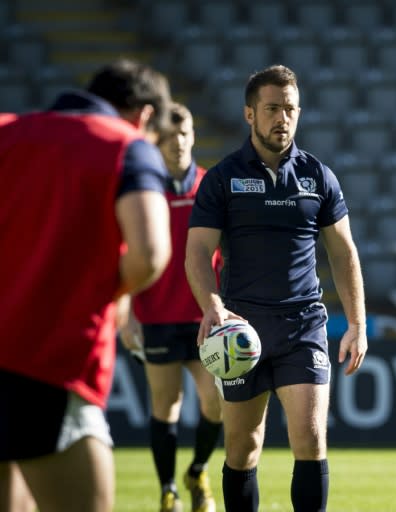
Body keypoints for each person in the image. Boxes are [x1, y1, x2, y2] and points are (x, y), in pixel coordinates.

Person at [185, 64, 368, 512]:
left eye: (289, 109)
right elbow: (197, 252)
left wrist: (357, 323)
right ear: (250, 114)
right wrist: (211, 306)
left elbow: (344, 253)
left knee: (310, 438)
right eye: (271, 109)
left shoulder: (318, 176)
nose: (281, 118)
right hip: (241, 331)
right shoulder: (223, 178)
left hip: (303, 325)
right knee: (243, 447)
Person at [0, 58, 173, 512]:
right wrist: (110, 292)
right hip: (47, 364)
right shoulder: (127, 145)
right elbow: (151, 253)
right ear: (146, 117)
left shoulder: (6, 130)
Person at [119, 103, 222, 512]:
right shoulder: (144, 192)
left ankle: (197, 471)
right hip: (155, 315)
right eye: (169, 135)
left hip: (204, 318)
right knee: (166, 406)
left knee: (215, 403)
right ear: (156, 140)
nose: (178, 142)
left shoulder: (211, 186)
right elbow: (123, 251)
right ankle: (168, 491)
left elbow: (228, 254)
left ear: (193, 136)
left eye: (185, 133)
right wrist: (126, 314)